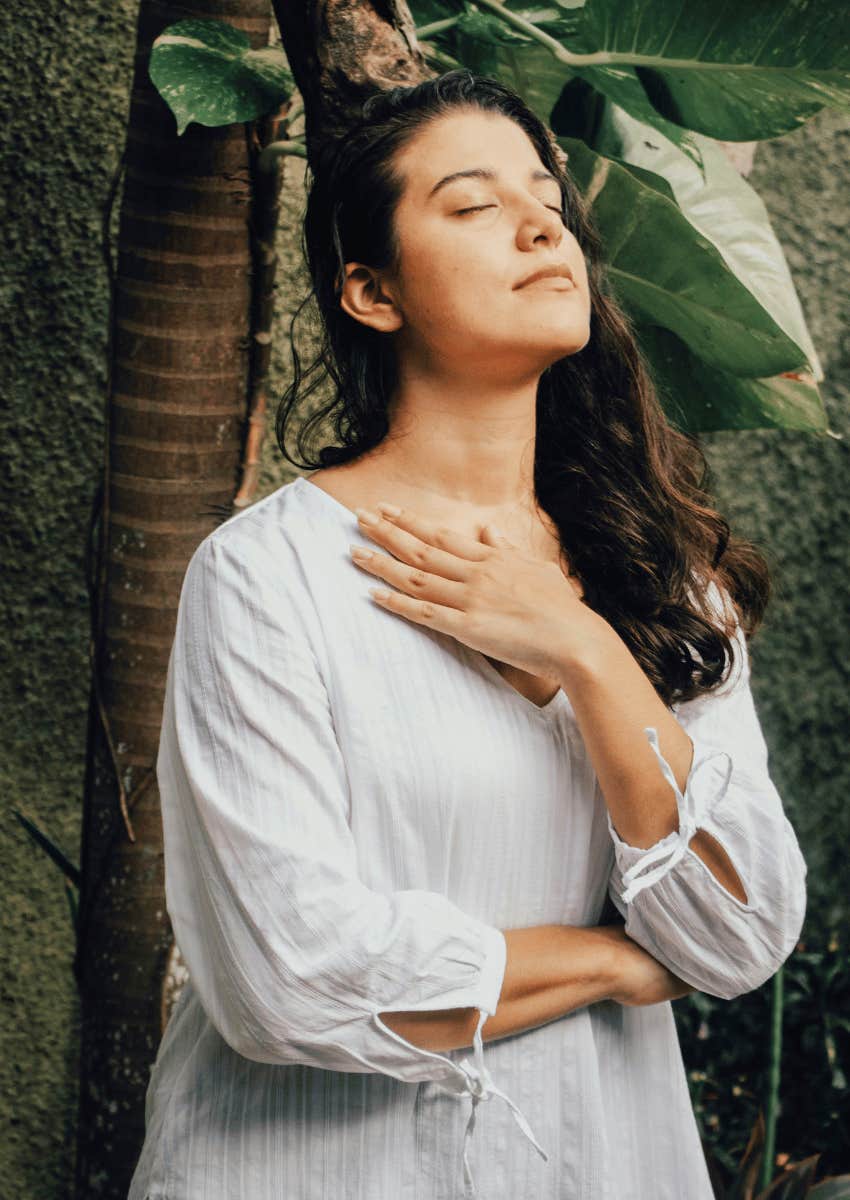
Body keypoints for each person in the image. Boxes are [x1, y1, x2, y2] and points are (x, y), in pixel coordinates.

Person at [128, 69, 808, 1200]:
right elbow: (288, 981)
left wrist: (583, 651)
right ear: (370, 290)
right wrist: (608, 962)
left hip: (602, 1164)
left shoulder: (660, 574)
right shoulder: (264, 577)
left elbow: (739, 933)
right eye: (473, 204)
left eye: (546, 196)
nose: (541, 221)